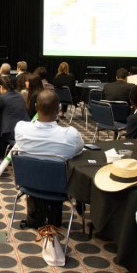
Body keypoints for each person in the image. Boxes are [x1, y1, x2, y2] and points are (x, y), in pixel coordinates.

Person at [14, 89, 84, 228]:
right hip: (59, 188)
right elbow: (79, 150)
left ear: (35, 107)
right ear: (58, 109)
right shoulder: (71, 135)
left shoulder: (21, 128)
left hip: (28, 184)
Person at [0, 76, 30, 162]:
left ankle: (1, 159)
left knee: (2, 131)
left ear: (0, 87)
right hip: (26, 131)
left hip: (11, 133)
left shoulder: (3, 98)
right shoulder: (19, 96)